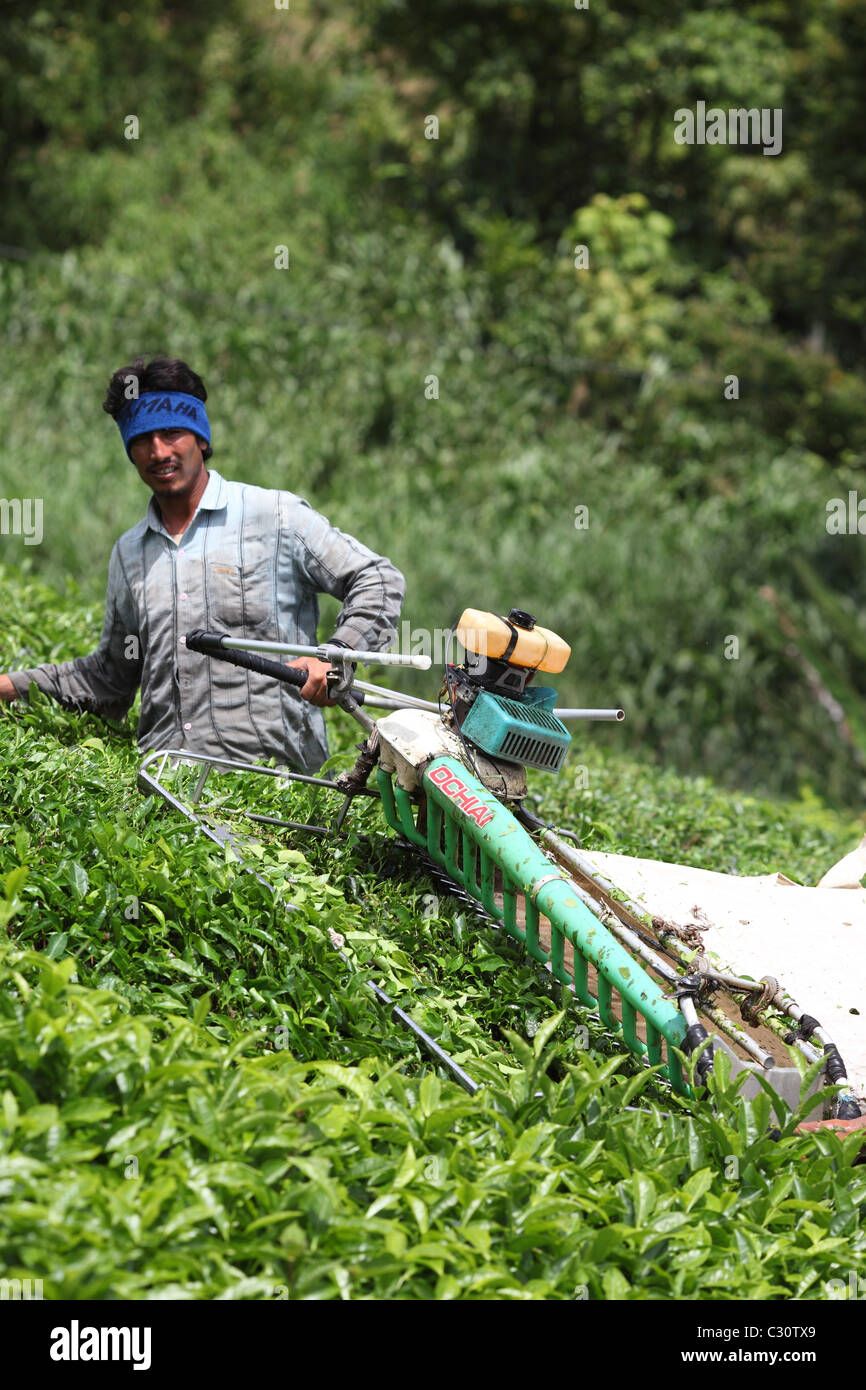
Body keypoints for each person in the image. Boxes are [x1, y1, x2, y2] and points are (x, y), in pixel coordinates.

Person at [0, 356, 405, 773]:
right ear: (130, 452)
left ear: (201, 440)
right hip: (164, 792)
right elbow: (110, 679)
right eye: (142, 440)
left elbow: (376, 578)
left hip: (278, 790)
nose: (159, 451)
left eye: (172, 433)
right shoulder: (129, 553)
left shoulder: (275, 516)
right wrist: (11, 686)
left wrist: (336, 655)